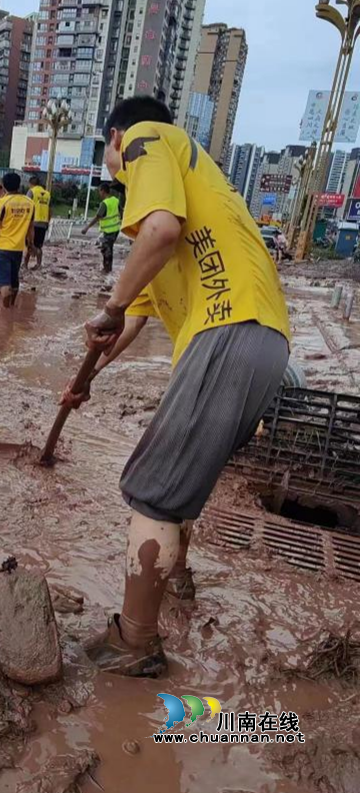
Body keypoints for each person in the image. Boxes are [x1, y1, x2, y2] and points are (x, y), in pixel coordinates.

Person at [70, 95, 290, 678]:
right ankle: (180, 579)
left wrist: (109, 305)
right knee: (181, 479)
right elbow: (135, 321)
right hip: (260, 340)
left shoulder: (147, 139)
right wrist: (90, 376)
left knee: (153, 492)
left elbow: (160, 234)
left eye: (108, 155)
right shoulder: (189, 196)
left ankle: (134, 642)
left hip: (230, 330)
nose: (115, 171)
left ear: (116, 138)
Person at [0, 171, 34, 307]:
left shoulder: (2, 202)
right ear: (19, 185)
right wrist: (30, 245)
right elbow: (30, 228)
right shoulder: (30, 203)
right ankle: (11, 307)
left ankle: (5, 313)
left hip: (3, 248)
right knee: (14, 281)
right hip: (18, 249)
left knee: (4, 283)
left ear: (3, 186)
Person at [82, 183, 122, 273]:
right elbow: (121, 211)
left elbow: (97, 217)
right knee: (108, 248)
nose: (99, 193)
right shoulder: (116, 200)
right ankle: (108, 268)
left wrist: (87, 228)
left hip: (109, 231)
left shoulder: (104, 204)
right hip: (116, 229)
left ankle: (106, 269)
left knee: (106, 249)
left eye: (99, 191)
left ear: (103, 191)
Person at [25, 174, 51, 269]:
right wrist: (48, 221)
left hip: (32, 222)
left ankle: (25, 264)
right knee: (39, 245)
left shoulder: (31, 192)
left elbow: (26, 205)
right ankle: (39, 264)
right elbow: (50, 209)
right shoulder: (47, 194)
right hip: (43, 223)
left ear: (31, 184)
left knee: (29, 243)